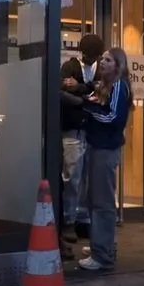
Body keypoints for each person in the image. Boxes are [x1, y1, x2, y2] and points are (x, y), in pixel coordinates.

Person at [74, 47, 131, 272]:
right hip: (98, 146)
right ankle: (101, 244)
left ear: (118, 65)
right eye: (103, 59)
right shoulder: (106, 86)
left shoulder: (118, 86)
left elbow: (112, 117)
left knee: (102, 202)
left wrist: (87, 108)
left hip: (105, 149)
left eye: (108, 60)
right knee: (94, 199)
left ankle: (103, 253)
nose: (103, 63)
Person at [60, 34, 104, 244]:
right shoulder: (69, 66)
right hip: (73, 129)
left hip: (91, 130)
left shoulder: (100, 69)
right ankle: (68, 220)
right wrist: (88, 93)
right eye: (89, 55)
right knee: (72, 176)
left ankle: (82, 219)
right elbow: (62, 90)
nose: (90, 58)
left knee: (86, 177)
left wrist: (79, 88)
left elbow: (101, 89)